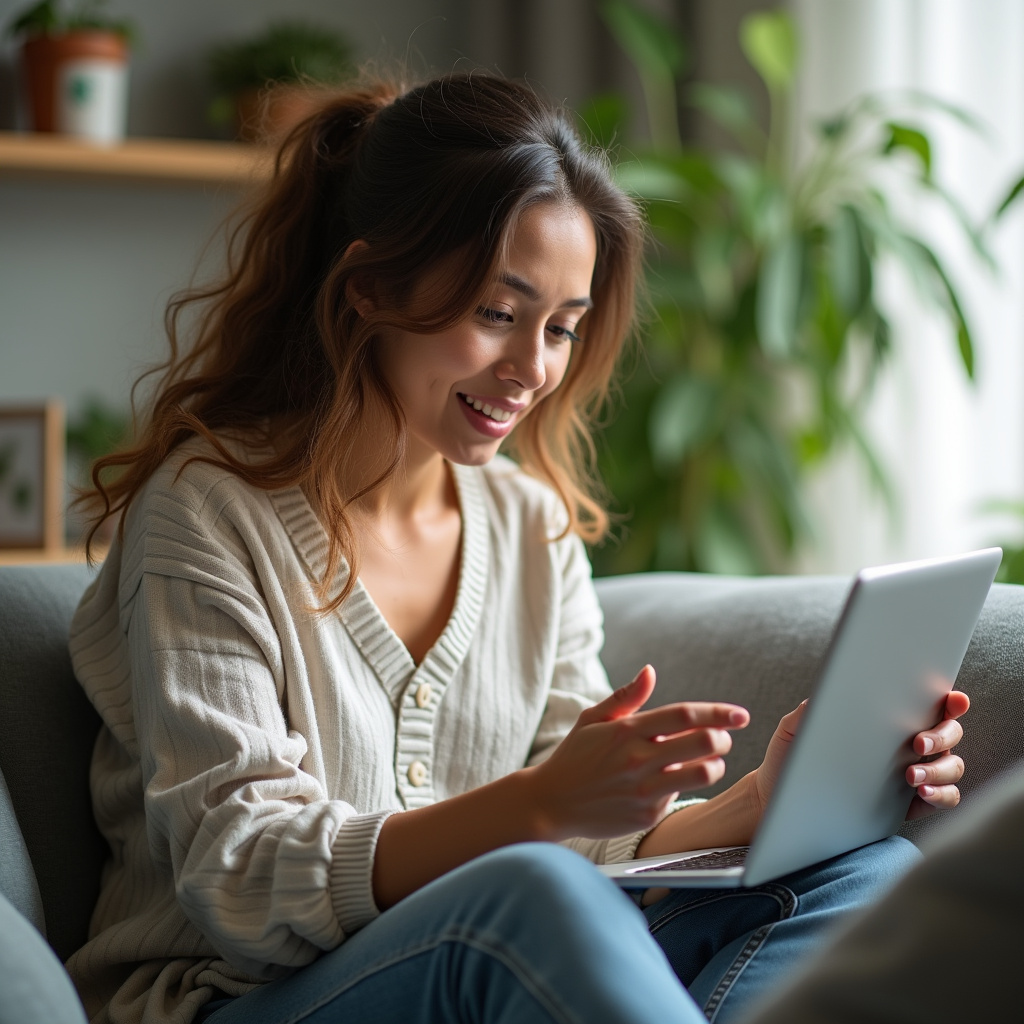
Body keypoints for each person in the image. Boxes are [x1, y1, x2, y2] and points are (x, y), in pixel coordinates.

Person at [66, 71, 969, 1024]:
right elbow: (242, 876)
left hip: (493, 971)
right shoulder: (205, 516)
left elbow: (587, 842)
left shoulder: (529, 527)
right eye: (498, 314)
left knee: (859, 872)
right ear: (371, 284)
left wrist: (762, 805)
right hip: (241, 1000)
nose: (533, 370)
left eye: (562, 330)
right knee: (530, 900)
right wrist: (540, 806)